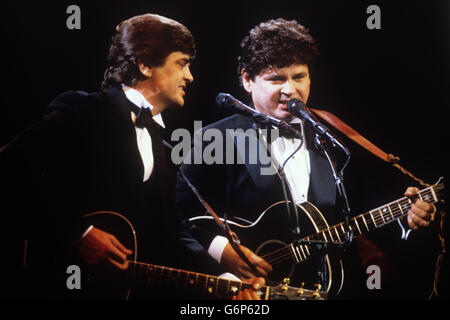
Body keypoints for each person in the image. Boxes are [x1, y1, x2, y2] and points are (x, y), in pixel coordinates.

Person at [2, 13, 263, 300]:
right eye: (182, 63)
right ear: (145, 64)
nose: (190, 76)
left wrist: (223, 280)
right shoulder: (86, 110)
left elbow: (169, 231)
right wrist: (80, 233)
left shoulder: (161, 146)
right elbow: (12, 168)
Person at [175, 18, 437, 298]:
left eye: (299, 77)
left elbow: (363, 210)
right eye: (276, 79)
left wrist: (406, 217)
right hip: (253, 294)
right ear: (247, 80)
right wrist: (224, 259)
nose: (290, 89)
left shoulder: (334, 135)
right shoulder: (213, 138)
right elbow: (179, 219)